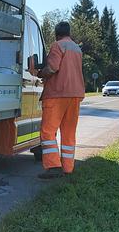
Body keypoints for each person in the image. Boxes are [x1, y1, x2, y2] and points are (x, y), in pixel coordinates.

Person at [36, 21, 85, 179]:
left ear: (57, 34)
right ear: (69, 33)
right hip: (75, 94)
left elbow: (52, 68)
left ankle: (53, 166)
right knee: (69, 132)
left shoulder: (58, 45)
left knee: (48, 131)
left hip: (57, 94)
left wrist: (40, 73)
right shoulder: (77, 48)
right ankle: (67, 168)